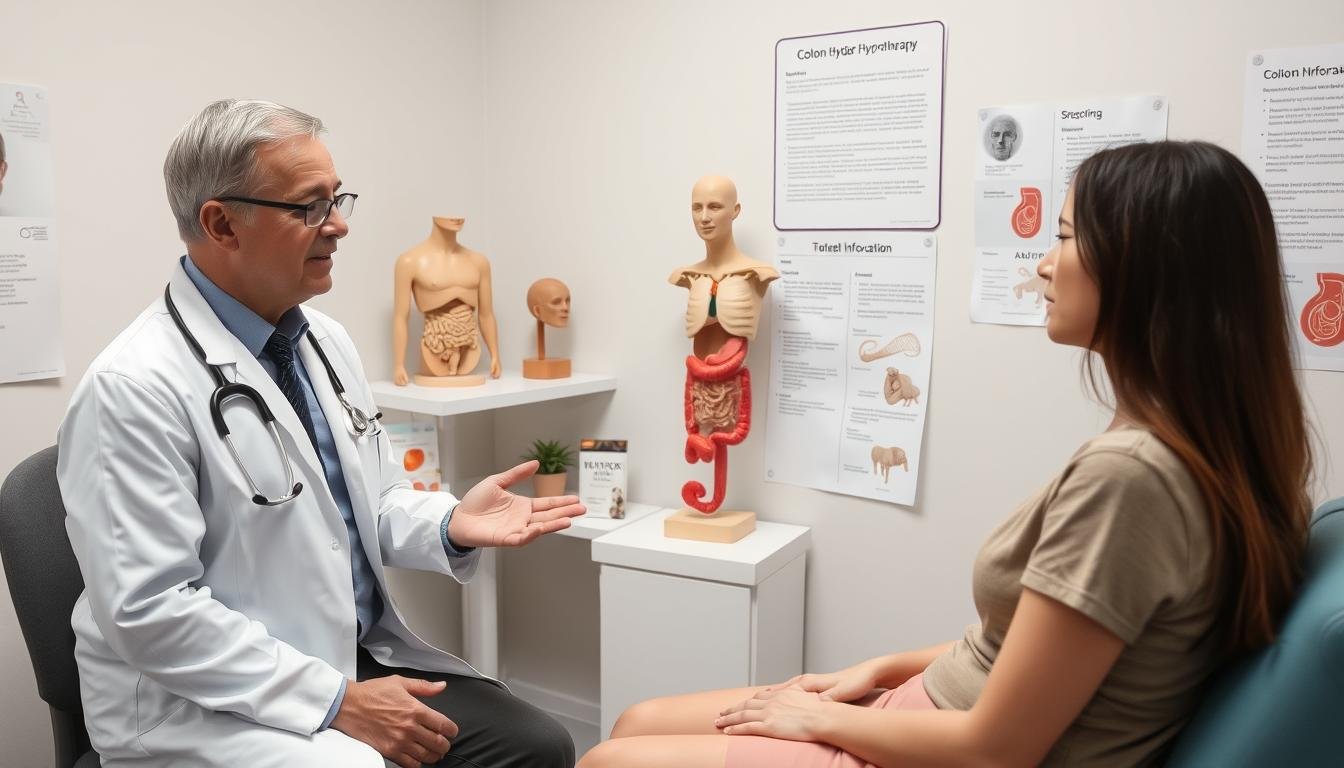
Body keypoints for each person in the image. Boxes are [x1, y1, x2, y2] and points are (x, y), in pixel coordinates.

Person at [579, 140, 1314, 767]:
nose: (1042, 267)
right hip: (931, 707)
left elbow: (997, 749)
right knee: (637, 720)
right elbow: (1017, 643)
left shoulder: (1132, 481)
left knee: (611, 758)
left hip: (946, 746)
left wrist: (819, 720)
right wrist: (877, 668)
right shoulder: (1195, 453)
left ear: (1144, 265)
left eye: (1062, 237)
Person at [58, 99, 583, 768]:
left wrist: (451, 522)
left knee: (539, 746)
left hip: (341, 657)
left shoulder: (322, 342)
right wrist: (339, 702)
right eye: (310, 207)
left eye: (338, 200)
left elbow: (371, 498)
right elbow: (152, 615)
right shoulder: (132, 389)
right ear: (222, 223)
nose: (337, 226)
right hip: (196, 703)